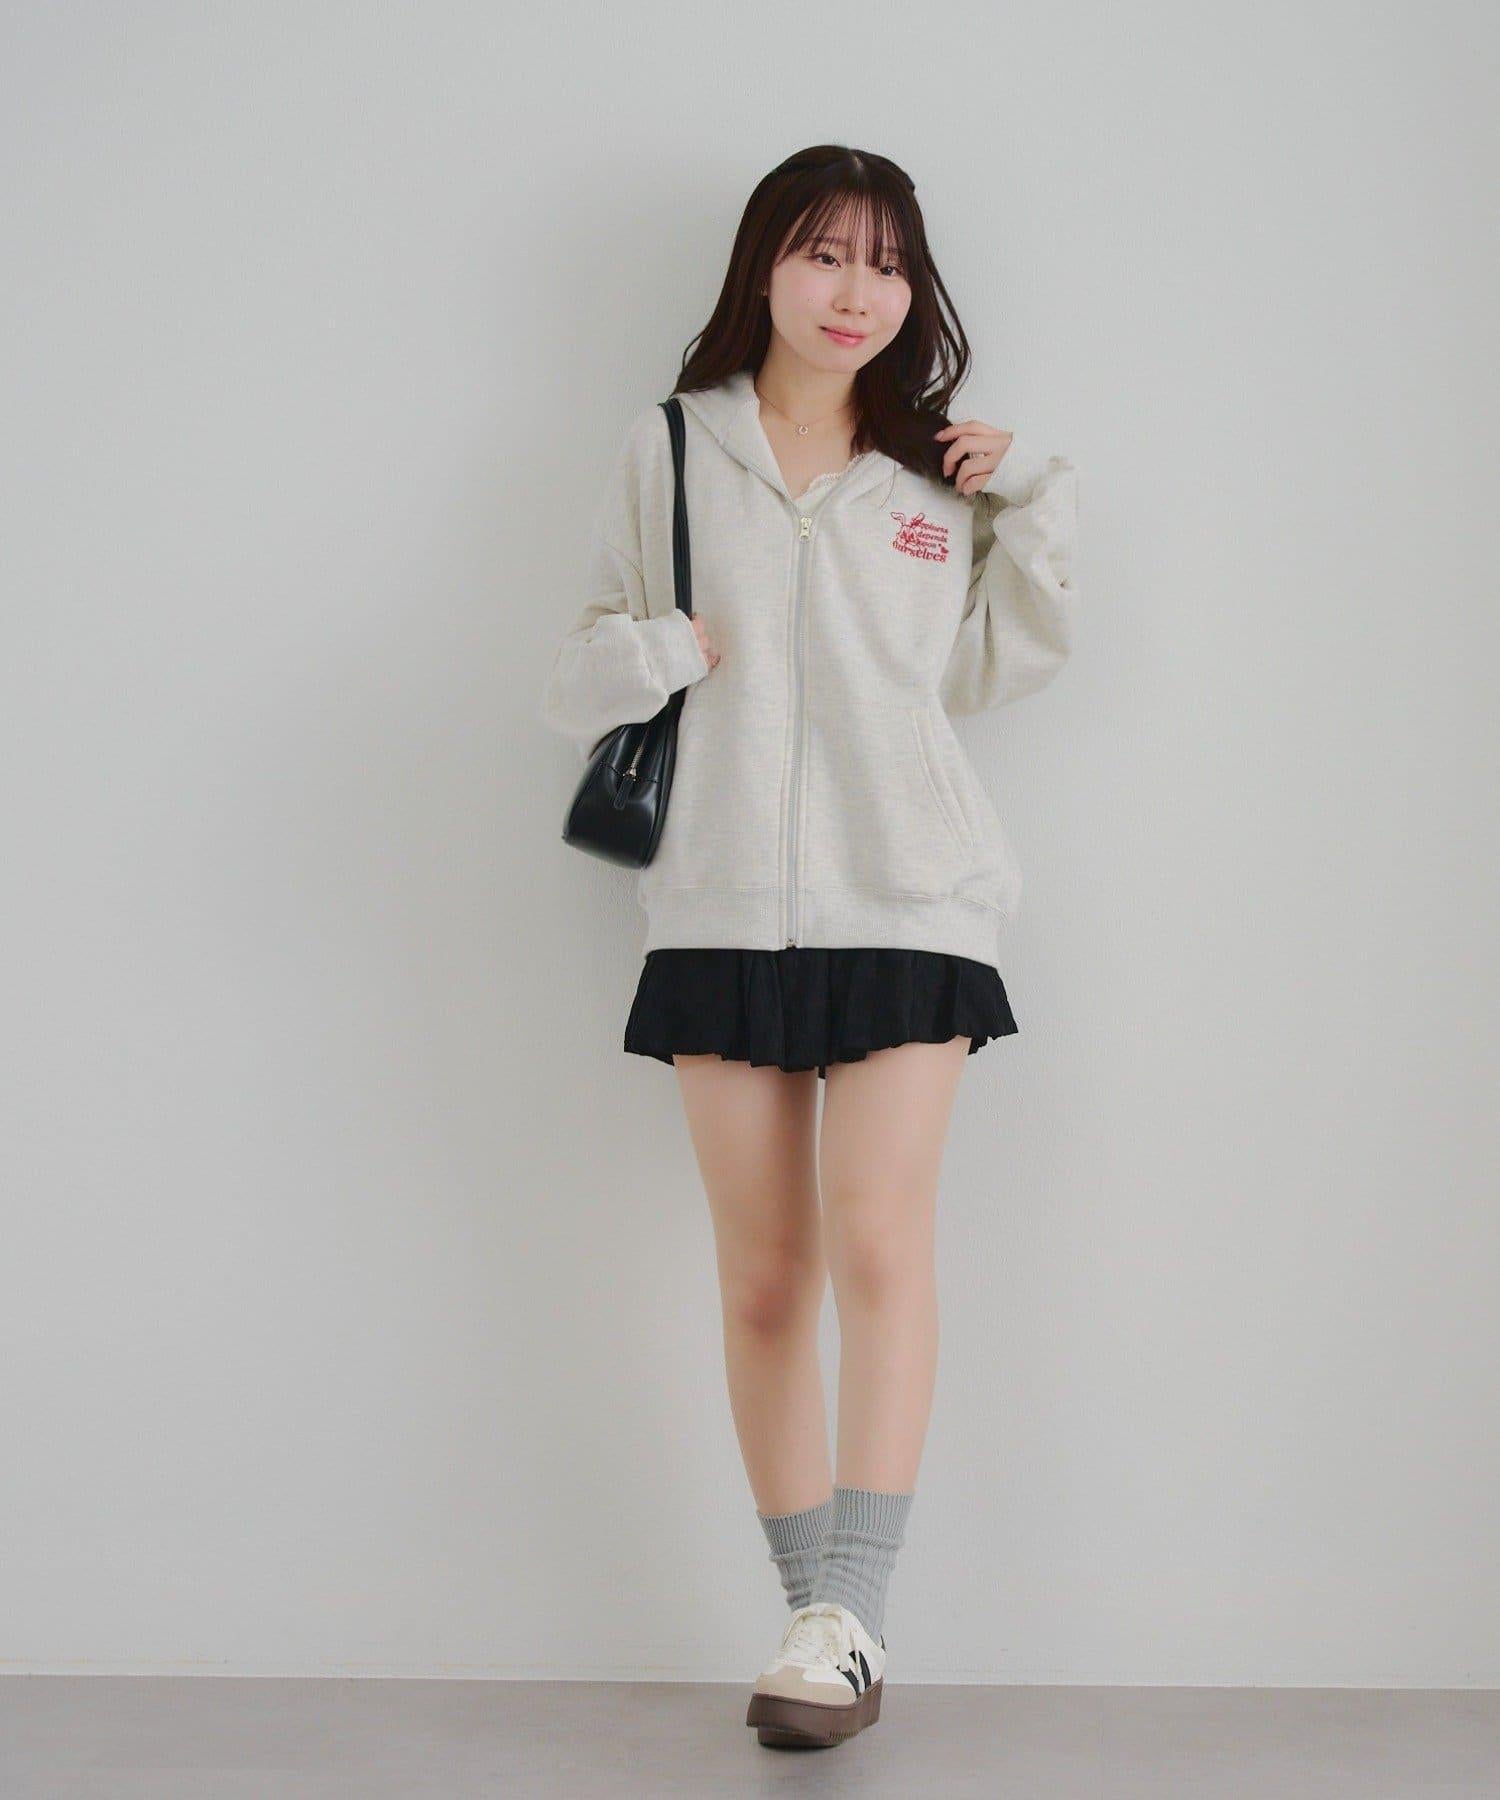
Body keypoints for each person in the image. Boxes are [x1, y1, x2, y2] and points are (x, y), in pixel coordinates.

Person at [538, 143, 1079, 1750]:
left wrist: (1031, 499)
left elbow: (989, 671)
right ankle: (812, 1621)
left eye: (887, 265)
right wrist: (659, 647)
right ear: (763, 265)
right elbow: (576, 674)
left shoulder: (933, 471)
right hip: (716, 906)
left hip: (910, 897)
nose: (857, 293)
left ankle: (853, 1614)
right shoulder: (670, 446)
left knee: (881, 1244)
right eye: (825, 254)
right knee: (767, 1276)